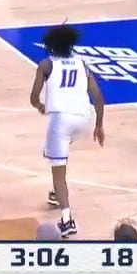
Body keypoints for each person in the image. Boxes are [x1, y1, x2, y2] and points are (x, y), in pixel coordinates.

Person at [28, 24, 106, 238]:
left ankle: (67, 219)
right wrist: (99, 125)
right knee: (56, 150)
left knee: (58, 171)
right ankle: (56, 191)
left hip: (60, 121)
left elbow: (33, 97)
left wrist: (40, 106)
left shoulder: (46, 65)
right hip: (84, 118)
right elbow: (98, 97)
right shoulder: (82, 64)